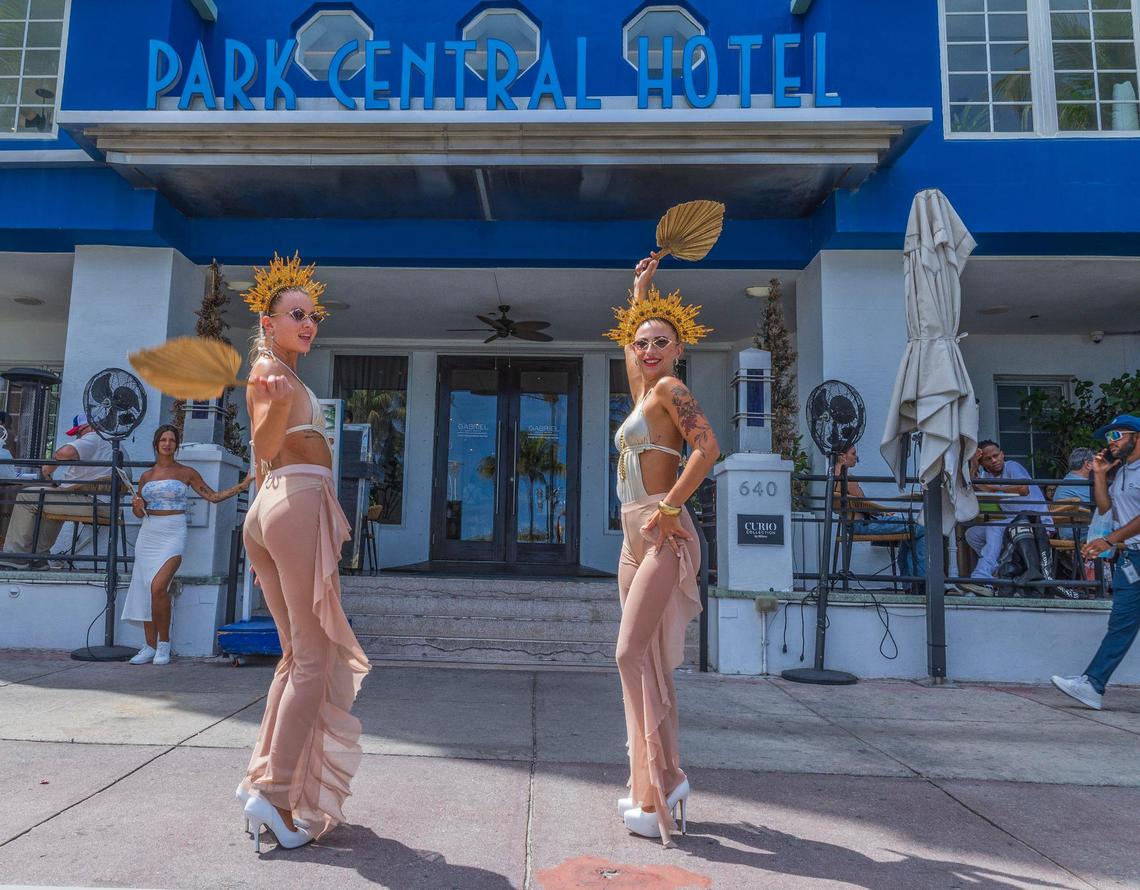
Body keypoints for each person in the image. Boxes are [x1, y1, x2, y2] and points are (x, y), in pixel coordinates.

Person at [235, 252, 371, 852]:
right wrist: (268, 395)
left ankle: (264, 778)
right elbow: (264, 443)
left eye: (313, 315)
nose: (309, 323)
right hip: (292, 502)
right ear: (268, 323)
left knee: (296, 656)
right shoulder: (271, 374)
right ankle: (279, 793)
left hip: (275, 506)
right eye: (296, 314)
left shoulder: (282, 371)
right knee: (315, 658)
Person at [606, 255, 720, 843]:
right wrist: (639, 292)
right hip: (632, 536)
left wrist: (672, 506)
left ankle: (666, 776)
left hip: (661, 530)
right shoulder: (643, 395)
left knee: (630, 654)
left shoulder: (673, 390)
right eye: (643, 342)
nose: (648, 350)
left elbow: (708, 448)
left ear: (679, 349)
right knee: (646, 660)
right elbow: (630, 342)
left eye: (660, 342)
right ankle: (652, 789)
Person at [121, 424, 250, 666]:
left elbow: (212, 496)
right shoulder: (147, 476)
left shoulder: (186, 472)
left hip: (173, 531)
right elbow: (140, 512)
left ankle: (164, 645)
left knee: (159, 587)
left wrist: (242, 486)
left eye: (171, 440)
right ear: (157, 444)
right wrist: (137, 508)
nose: (167, 443)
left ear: (176, 444)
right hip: (149, 532)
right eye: (163, 439)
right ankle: (148, 646)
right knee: (144, 589)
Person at [1051, 415, 1140, 710]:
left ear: (1136, 436)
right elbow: (1106, 508)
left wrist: (1109, 540)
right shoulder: (1124, 471)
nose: (1110, 442)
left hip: (1129, 551)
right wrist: (1100, 474)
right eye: (1108, 437)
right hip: (1131, 558)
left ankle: (1092, 684)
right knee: (1121, 624)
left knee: (1122, 624)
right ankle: (1092, 685)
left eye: (1116, 435)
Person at [0, 413, 118, 568]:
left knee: (27, 495)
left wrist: (48, 469)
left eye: (78, 432)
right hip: (103, 503)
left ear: (88, 427)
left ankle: (15, 555)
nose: (77, 437)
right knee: (48, 498)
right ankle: (38, 557)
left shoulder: (95, 437)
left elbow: (64, 453)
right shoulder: (110, 443)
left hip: (94, 503)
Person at [960, 439, 1051, 594]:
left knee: (994, 528)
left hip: (1034, 522)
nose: (994, 460)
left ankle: (983, 577)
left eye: (996, 455)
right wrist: (974, 462)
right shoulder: (985, 475)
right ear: (983, 463)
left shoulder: (1012, 466)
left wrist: (992, 490)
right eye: (988, 459)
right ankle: (996, 572)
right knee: (972, 534)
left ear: (1003, 454)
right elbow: (972, 482)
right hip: (1014, 522)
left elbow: (1023, 489)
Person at [832, 445, 926, 578]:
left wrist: (882, 513)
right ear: (842, 456)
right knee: (921, 529)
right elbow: (863, 504)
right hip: (865, 525)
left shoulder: (832, 479)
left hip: (850, 525)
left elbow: (860, 505)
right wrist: (883, 512)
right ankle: (919, 581)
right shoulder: (847, 478)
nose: (856, 457)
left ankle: (912, 581)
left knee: (911, 531)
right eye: (853, 453)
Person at [1052, 447, 1095, 540]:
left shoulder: (1068, 480)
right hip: (1077, 533)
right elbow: (1103, 503)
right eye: (1097, 463)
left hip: (1067, 532)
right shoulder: (1081, 483)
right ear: (1088, 464)